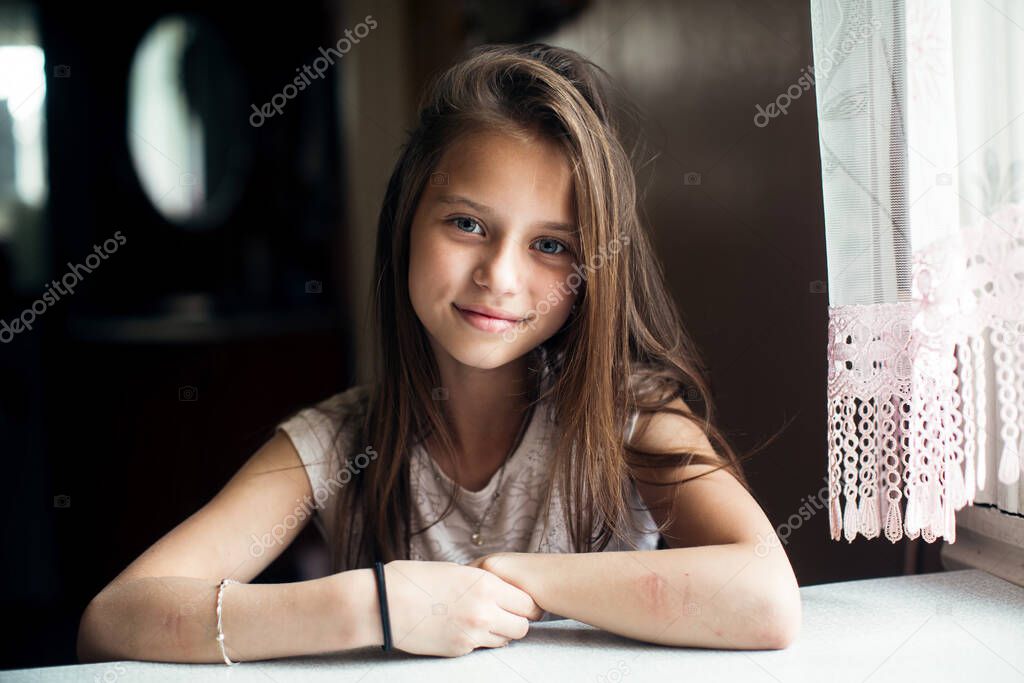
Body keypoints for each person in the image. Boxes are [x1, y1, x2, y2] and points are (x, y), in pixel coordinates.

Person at [77, 42, 800, 664]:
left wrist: (510, 579)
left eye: (551, 246)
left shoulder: (631, 418)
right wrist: (379, 604)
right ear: (406, 223)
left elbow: (767, 598)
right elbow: (114, 618)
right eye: (466, 223)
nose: (500, 276)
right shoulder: (338, 441)